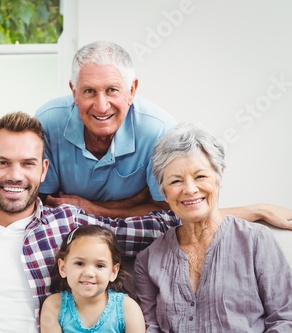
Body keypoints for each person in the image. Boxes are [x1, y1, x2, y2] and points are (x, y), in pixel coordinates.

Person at [0, 113, 292, 332]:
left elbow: (174, 220)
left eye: (26, 165)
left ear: (43, 170)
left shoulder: (69, 223)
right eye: (2, 164)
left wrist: (251, 211)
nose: (14, 175)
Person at [134, 123, 292, 332]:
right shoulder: (148, 260)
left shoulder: (256, 240)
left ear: (220, 176)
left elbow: (285, 318)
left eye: (200, 176)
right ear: (163, 191)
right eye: (176, 181)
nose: (190, 189)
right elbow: (151, 328)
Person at [35, 41, 176, 218]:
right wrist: (131, 202)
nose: (101, 107)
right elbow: (44, 203)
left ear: (131, 90)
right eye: (89, 91)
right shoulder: (47, 123)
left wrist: (88, 208)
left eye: (112, 90)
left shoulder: (160, 131)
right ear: (74, 92)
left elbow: (166, 211)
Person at [40, 225, 145, 333]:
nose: (89, 273)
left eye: (100, 265)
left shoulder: (128, 308)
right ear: (63, 268)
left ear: (113, 272)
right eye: (79, 263)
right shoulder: (54, 306)